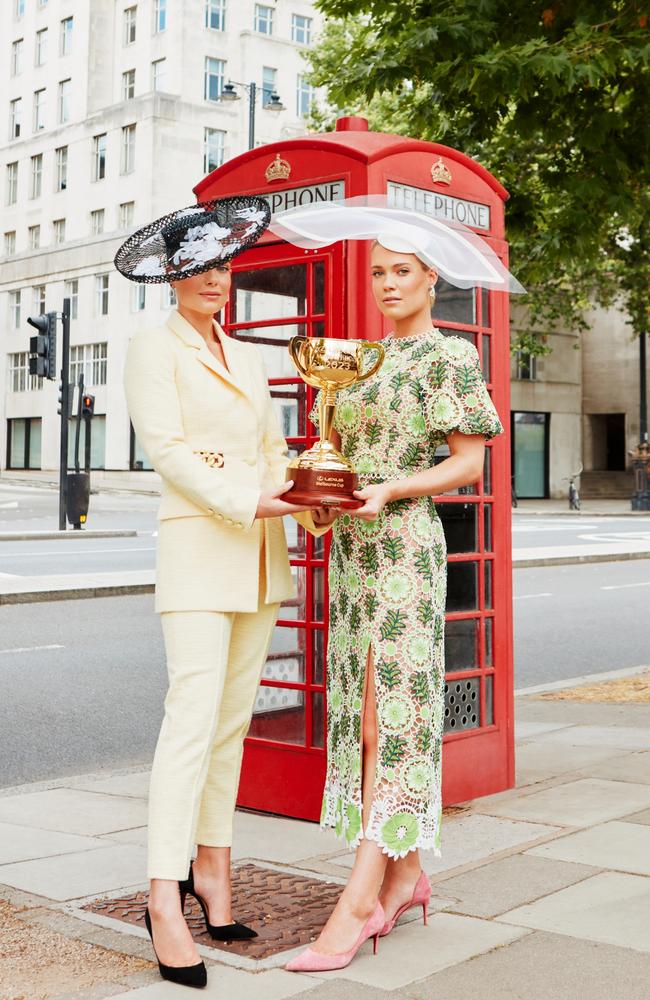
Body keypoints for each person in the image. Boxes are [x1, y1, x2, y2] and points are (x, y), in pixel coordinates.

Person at [269, 202, 508, 973]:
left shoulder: (449, 360)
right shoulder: (359, 357)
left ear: (431, 278)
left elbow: (468, 465)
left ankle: (362, 898)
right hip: (352, 552)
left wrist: (394, 489)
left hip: (404, 544)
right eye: (377, 271)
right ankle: (407, 876)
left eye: (401, 270)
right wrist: (322, 463)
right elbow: (335, 450)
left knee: (387, 719)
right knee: (360, 714)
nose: (387, 284)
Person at [116, 197, 326, 988]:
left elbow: (273, 451)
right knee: (189, 722)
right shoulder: (150, 348)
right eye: (199, 267)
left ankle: (214, 870)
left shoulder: (246, 357)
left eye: (224, 265)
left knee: (231, 727)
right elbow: (168, 452)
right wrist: (253, 497)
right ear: (173, 275)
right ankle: (163, 895)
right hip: (203, 553)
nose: (216, 279)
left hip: (263, 557)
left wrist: (308, 494)